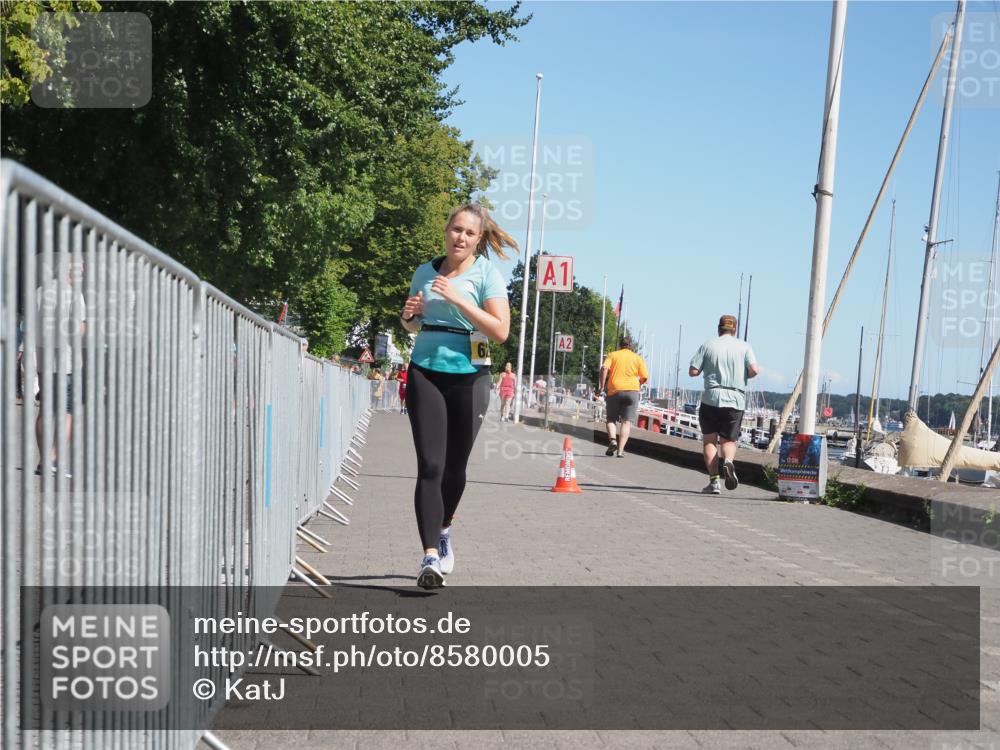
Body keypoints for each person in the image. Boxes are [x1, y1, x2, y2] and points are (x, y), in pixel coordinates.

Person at [400, 203, 514, 589]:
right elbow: (413, 324)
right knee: (430, 465)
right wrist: (409, 315)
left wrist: (461, 301)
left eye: (469, 233)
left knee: (455, 468)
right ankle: (430, 555)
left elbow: (500, 332)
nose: (460, 238)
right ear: (446, 230)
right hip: (425, 370)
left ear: (478, 239)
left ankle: (445, 528)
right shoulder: (424, 272)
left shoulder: (487, 275)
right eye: (455, 230)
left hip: (471, 375)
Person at [688, 314, 759, 495]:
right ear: (734, 329)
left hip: (711, 397)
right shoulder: (744, 346)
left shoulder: (708, 345)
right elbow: (754, 370)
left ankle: (714, 483)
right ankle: (728, 460)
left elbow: (693, 371)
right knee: (729, 440)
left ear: (719, 328)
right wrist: (743, 375)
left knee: (709, 441)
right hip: (735, 398)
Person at [598, 335, 648, 457]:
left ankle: (613, 441)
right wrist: (637, 384)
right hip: (632, 390)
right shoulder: (638, 358)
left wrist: (602, 385)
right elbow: (644, 377)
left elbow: (604, 368)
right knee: (626, 422)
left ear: (620, 345)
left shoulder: (612, 355)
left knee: (611, 419)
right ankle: (620, 451)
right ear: (631, 346)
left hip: (614, 390)